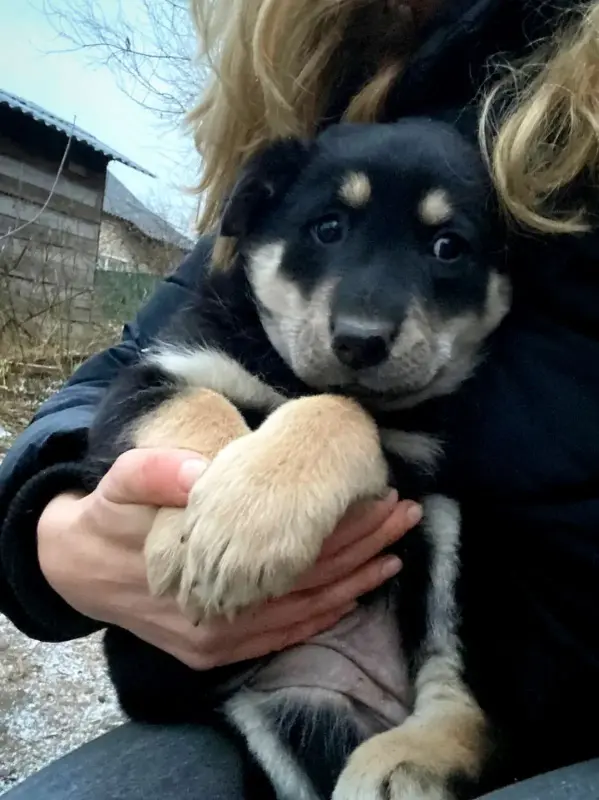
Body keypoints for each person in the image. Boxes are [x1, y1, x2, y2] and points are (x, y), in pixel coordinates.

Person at [3, 0, 599, 797]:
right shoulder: (337, 113)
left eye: (447, 247)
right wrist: (54, 534)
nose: (361, 323)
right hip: (248, 700)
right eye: (326, 231)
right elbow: (127, 378)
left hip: (529, 708)